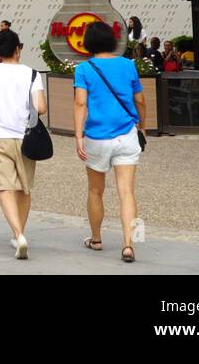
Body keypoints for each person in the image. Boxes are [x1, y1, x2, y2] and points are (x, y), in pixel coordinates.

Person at [73, 20, 145, 263]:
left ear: (89, 43)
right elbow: (140, 100)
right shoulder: (128, 65)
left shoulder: (84, 69)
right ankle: (128, 243)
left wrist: (78, 135)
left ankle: (96, 239)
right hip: (126, 134)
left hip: (96, 136)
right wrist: (142, 124)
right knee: (127, 192)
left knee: (95, 190)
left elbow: (81, 103)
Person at [0, 32, 45, 260]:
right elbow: (41, 108)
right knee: (23, 188)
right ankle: (20, 233)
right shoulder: (32, 74)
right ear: (18, 48)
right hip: (25, 136)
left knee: (4, 187)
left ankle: (18, 235)